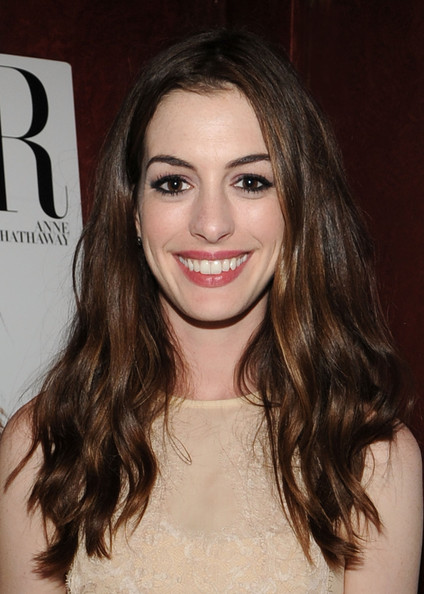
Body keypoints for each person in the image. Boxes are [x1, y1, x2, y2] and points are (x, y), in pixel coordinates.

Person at [0, 28, 422, 593]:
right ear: (133, 211)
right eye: (174, 183)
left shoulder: (370, 455)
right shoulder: (43, 446)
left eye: (250, 181)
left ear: (299, 206)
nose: (212, 223)